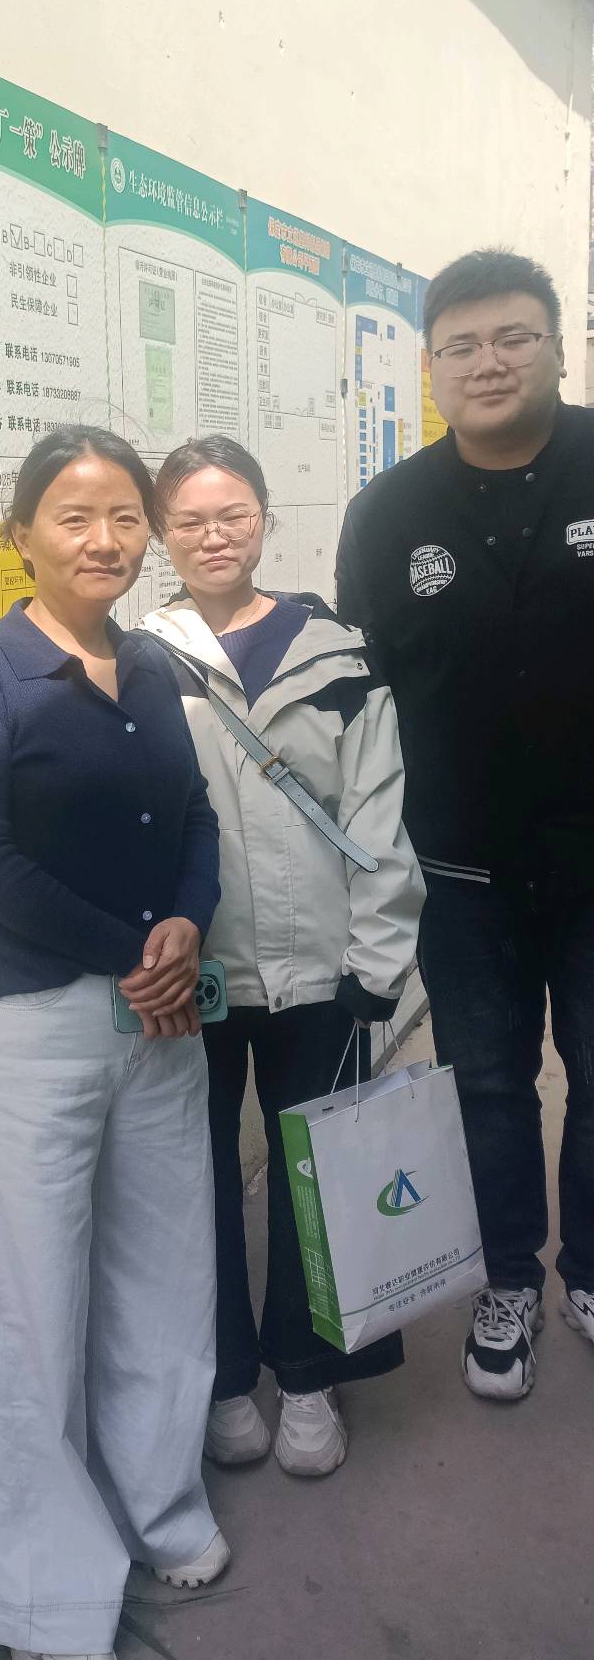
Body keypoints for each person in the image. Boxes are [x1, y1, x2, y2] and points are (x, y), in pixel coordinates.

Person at [0, 426, 230, 1660]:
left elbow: (196, 817)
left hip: (162, 1016)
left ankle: (162, 1509)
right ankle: (38, 1585)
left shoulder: (149, 666)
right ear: (20, 537)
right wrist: (133, 950)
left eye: (124, 517)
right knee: (28, 1302)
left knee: (166, 1271)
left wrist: (188, 925)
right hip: (43, 1024)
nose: (105, 540)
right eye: (73, 516)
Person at [336, 248, 594, 1401]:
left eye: (514, 337)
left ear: (557, 348)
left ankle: (591, 1265)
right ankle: (508, 1280)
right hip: (461, 870)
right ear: (432, 368)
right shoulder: (387, 513)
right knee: (486, 1084)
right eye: (463, 346)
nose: (490, 362)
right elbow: (359, 690)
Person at [139, 436, 424, 1478]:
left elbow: (378, 814)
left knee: (318, 1177)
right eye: (189, 520)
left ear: (265, 518)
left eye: (234, 515)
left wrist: (378, 961)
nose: (214, 536)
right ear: (162, 533)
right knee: (197, 1184)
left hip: (320, 971)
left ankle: (306, 1379)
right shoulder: (138, 657)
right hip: (195, 977)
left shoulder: (337, 654)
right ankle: (225, 1380)